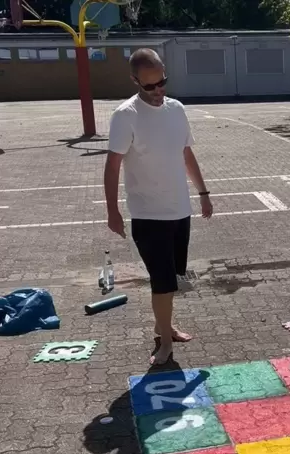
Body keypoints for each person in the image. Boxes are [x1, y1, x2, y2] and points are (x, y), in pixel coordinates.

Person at [103, 48, 213, 365]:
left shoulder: (176, 109)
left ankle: (163, 325)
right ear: (135, 81)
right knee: (162, 282)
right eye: (149, 86)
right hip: (149, 215)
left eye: (161, 82)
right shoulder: (126, 116)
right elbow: (112, 167)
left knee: (171, 280)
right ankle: (164, 341)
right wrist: (113, 211)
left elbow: (186, 154)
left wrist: (203, 192)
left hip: (180, 210)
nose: (157, 90)